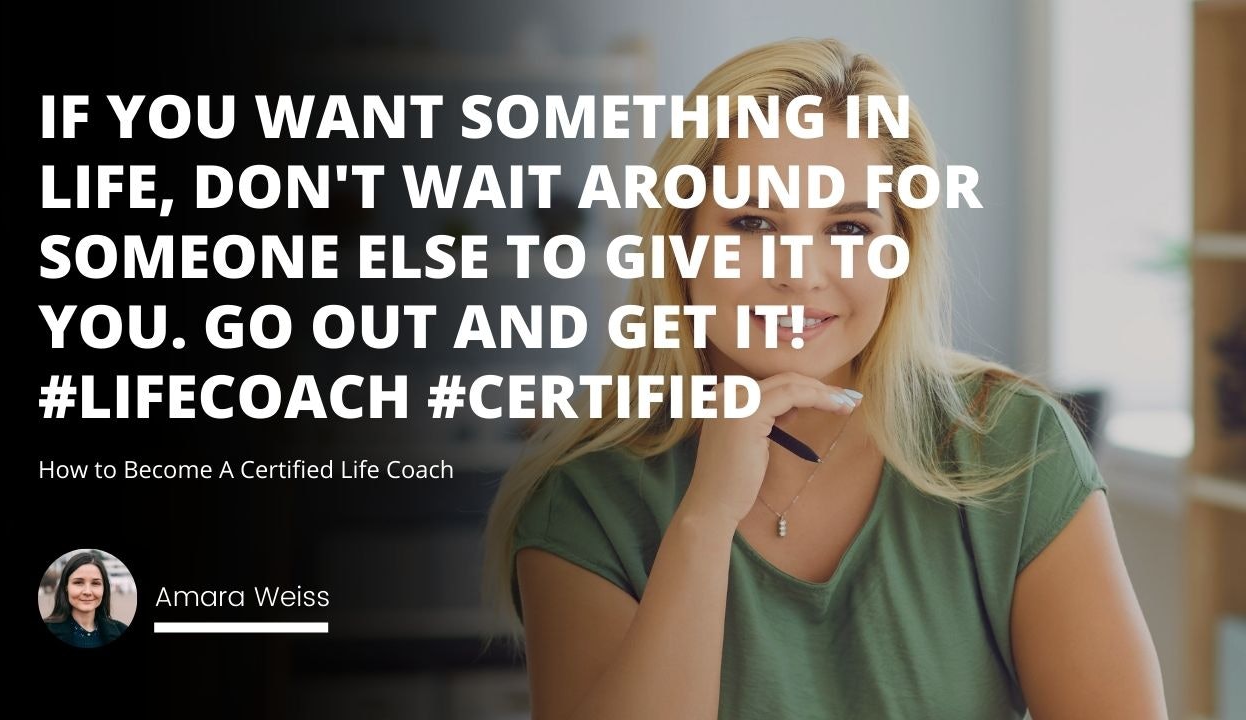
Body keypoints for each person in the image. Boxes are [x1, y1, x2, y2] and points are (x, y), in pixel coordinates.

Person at [481, 38, 1167, 719]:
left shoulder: (1014, 445)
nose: (801, 274)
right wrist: (705, 518)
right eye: (751, 222)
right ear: (680, 239)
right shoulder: (585, 501)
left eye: (847, 228)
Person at [45, 551, 129, 648]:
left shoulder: (121, 630)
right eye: (78, 582)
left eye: (95, 583)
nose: (87, 592)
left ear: (104, 588)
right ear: (66, 587)